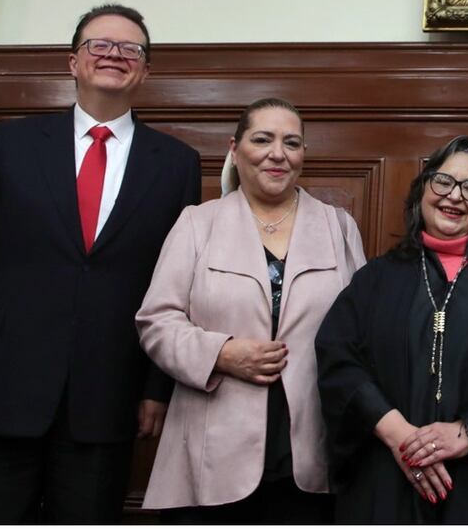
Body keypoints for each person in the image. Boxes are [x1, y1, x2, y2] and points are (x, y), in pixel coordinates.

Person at [0, 3, 202, 522]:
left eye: (130, 48)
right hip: (0, 388)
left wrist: (155, 390)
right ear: (74, 61)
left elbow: (175, 286)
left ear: (145, 70)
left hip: (107, 397)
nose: (115, 54)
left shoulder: (176, 164)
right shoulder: (10, 143)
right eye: (100, 44)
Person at [135, 97, 366, 523]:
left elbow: (362, 332)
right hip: (211, 450)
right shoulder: (197, 223)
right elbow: (156, 321)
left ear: (303, 154)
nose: (278, 153)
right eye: (262, 139)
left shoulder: (338, 227)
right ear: (235, 149)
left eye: (291, 143)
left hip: (310, 451)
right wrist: (220, 353)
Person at [315, 135, 468, 523]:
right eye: (443, 181)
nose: (455, 195)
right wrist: (397, 434)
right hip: (384, 476)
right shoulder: (377, 277)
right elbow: (337, 357)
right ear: (422, 192)